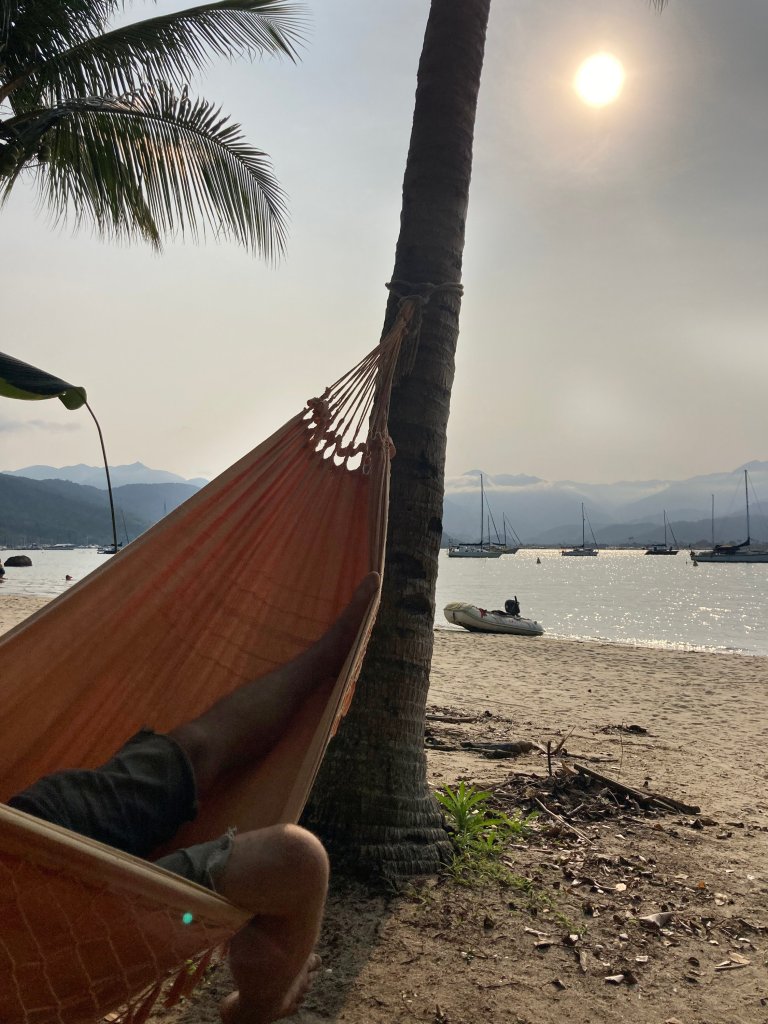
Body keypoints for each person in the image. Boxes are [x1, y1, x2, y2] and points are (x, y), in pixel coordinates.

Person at [8, 572, 379, 1024]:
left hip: (20, 834)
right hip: (32, 934)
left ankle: (327, 655)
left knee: (194, 750)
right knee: (296, 861)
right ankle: (256, 1009)